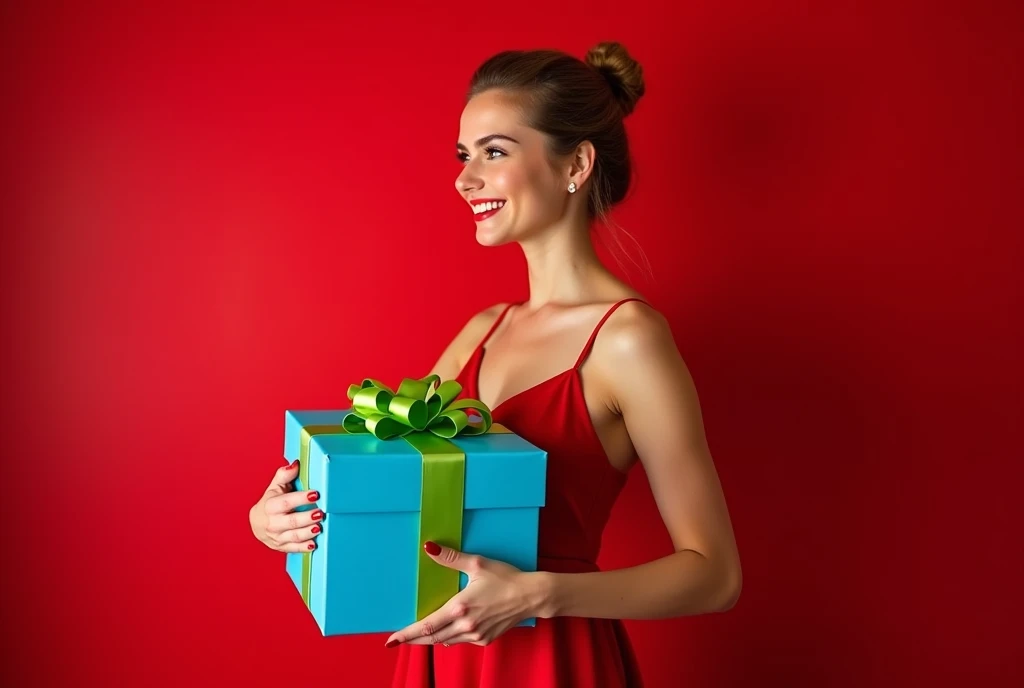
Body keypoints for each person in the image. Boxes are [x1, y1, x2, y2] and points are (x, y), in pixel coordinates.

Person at [249, 41, 742, 687]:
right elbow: (390, 480)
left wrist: (540, 595)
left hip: (551, 658)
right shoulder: (482, 330)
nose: (465, 177)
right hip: (442, 651)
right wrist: (284, 513)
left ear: (577, 163)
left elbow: (714, 573)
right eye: (463, 154)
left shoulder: (628, 338)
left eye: (495, 151)